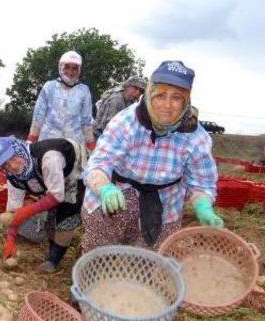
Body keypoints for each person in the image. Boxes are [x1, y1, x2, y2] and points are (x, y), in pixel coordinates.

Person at [81, 61, 222, 253]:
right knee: (102, 253)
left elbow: (201, 183)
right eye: (160, 95)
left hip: (164, 203)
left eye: (176, 98)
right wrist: (105, 188)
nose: (167, 105)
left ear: (186, 101)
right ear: (149, 94)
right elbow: (99, 163)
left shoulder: (196, 137)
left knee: (151, 263)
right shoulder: (126, 122)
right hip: (119, 194)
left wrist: (203, 206)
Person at [0, 136, 86, 271]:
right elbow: (13, 210)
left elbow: (56, 196)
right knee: (51, 214)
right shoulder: (13, 177)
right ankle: (53, 246)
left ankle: (53, 261)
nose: (11, 166)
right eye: (5, 164)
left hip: (73, 167)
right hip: (49, 175)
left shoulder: (49, 158)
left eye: (13, 158)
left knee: (66, 212)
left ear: (20, 150)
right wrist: (11, 239)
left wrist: (28, 210)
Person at [27, 51, 95, 150]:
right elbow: (38, 117)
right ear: (60, 67)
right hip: (48, 143)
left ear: (79, 70)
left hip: (74, 146)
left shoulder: (84, 90)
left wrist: (91, 146)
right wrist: (31, 140)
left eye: (74, 68)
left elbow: (86, 121)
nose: (70, 72)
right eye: (67, 67)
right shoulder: (49, 87)